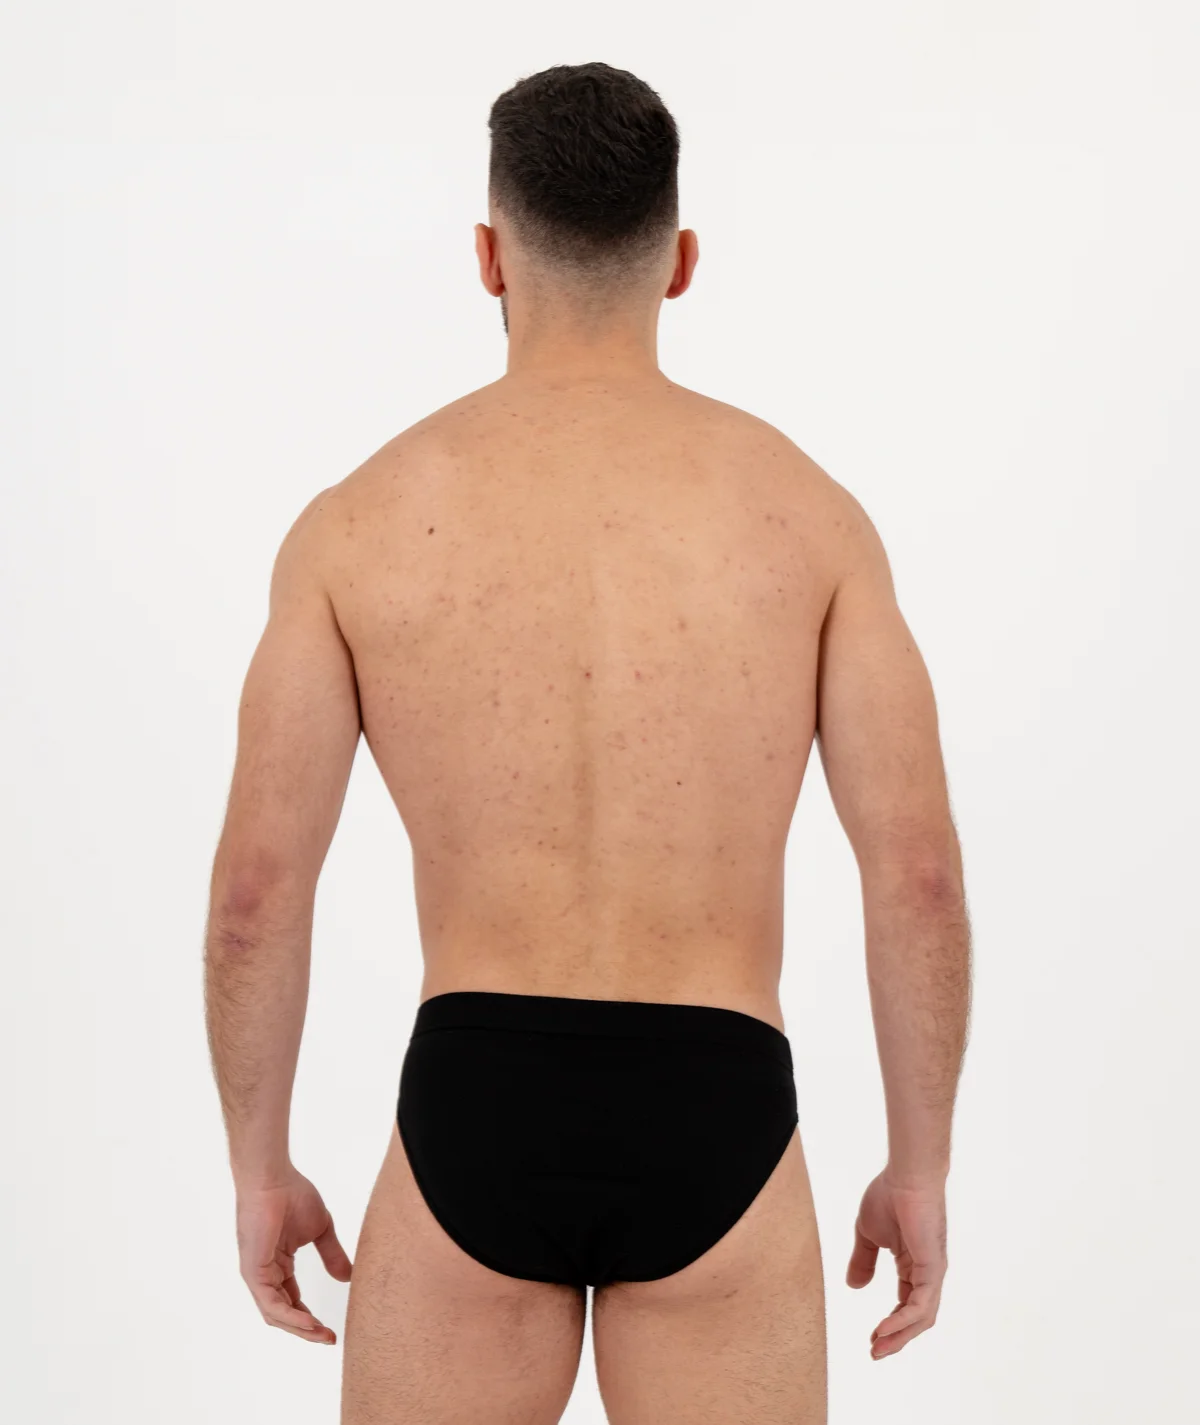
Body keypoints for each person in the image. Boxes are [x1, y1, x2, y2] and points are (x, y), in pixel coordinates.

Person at [204, 61, 971, 1425]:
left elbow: (257, 893)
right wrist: (921, 1167)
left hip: (474, 1099)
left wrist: (259, 1166)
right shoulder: (810, 520)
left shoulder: (355, 526)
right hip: (720, 1101)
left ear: (489, 257)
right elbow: (915, 875)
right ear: (680, 261)